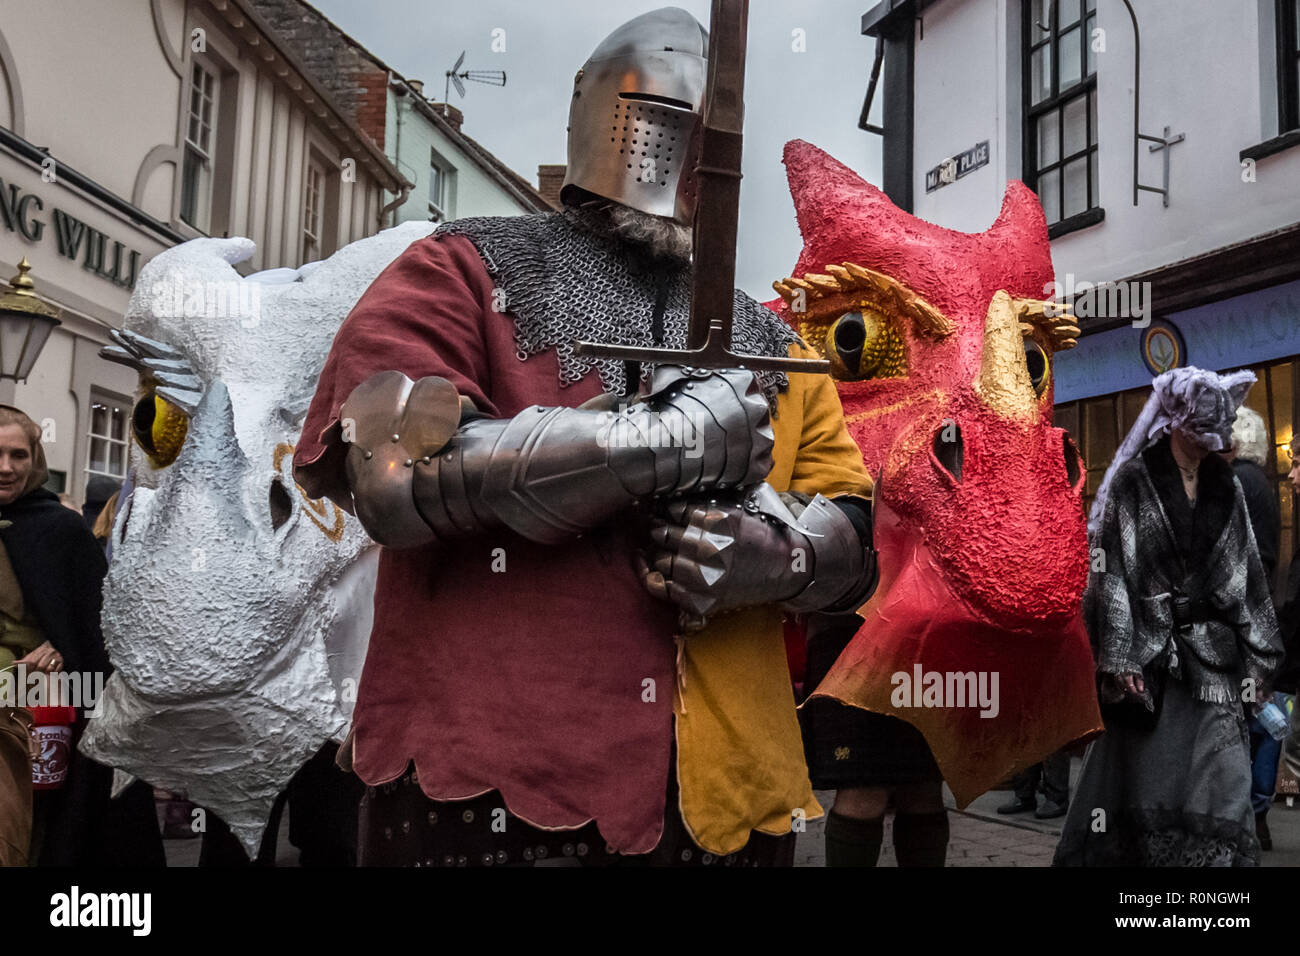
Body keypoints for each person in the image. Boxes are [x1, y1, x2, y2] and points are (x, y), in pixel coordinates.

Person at [294, 7, 877, 867]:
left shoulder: (775, 340)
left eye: (713, 143)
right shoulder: (461, 268)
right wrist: (656, 441)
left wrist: (772, 555)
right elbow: (389, 475)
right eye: (668, 130)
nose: (688, 168)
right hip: (495, 783)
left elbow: (859, 533)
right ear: (611, 124)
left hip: (731, 799)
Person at [1054, 368, 1283, 866]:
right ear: (1178, 421)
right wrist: (1118, 659)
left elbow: (1248, 574)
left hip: (1217, 670)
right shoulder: (1134, 481)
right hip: (1151, 671)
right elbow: (1110, 573)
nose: (1215, 443)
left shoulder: (1230, 487)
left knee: (1224, 785)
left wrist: (1262, 657)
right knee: (1146, 793)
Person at [0, 405, 113, 865]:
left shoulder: (59, 527)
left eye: (18, 454)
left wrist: (61, 647)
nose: (6, 467)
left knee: (33, 820)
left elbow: (98, 623)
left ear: (35, 460)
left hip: (37, 701)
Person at [1222, 406, 1285, 849]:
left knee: (1242, 718)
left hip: (1239, 609)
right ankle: (1257, 812)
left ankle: (1243, 813)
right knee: (1259, 715)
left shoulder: (1237, 482)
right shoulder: (1261, 483)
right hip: (1259, 608)